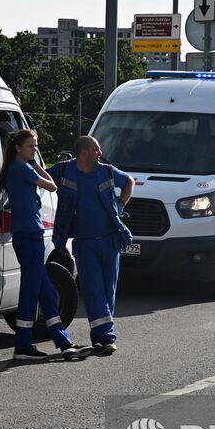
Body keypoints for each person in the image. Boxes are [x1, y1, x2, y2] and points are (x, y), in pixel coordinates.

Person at [0, 129, 85, 363]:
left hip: (27, 236)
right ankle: (23, 346)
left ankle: (63, 342)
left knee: (46, 290)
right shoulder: (23, 169)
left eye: (36, 146)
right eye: (31, 146)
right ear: (18, 148)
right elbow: (52, 186)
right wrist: (37, 165)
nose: (34, 149)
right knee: (30, 292)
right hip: (29, 237)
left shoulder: (13, 169)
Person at [50, 136, 134, 355]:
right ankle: (107, 337)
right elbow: (40, 178)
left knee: (108, 291)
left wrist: (121, 204)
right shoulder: (62, 171)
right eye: (96, 150)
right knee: (93, 290)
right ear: (84, 153)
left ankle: (99, 336)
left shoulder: (106, 171)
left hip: (110, 241)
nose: (100, 153)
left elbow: (129, 182)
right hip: (84, 244)